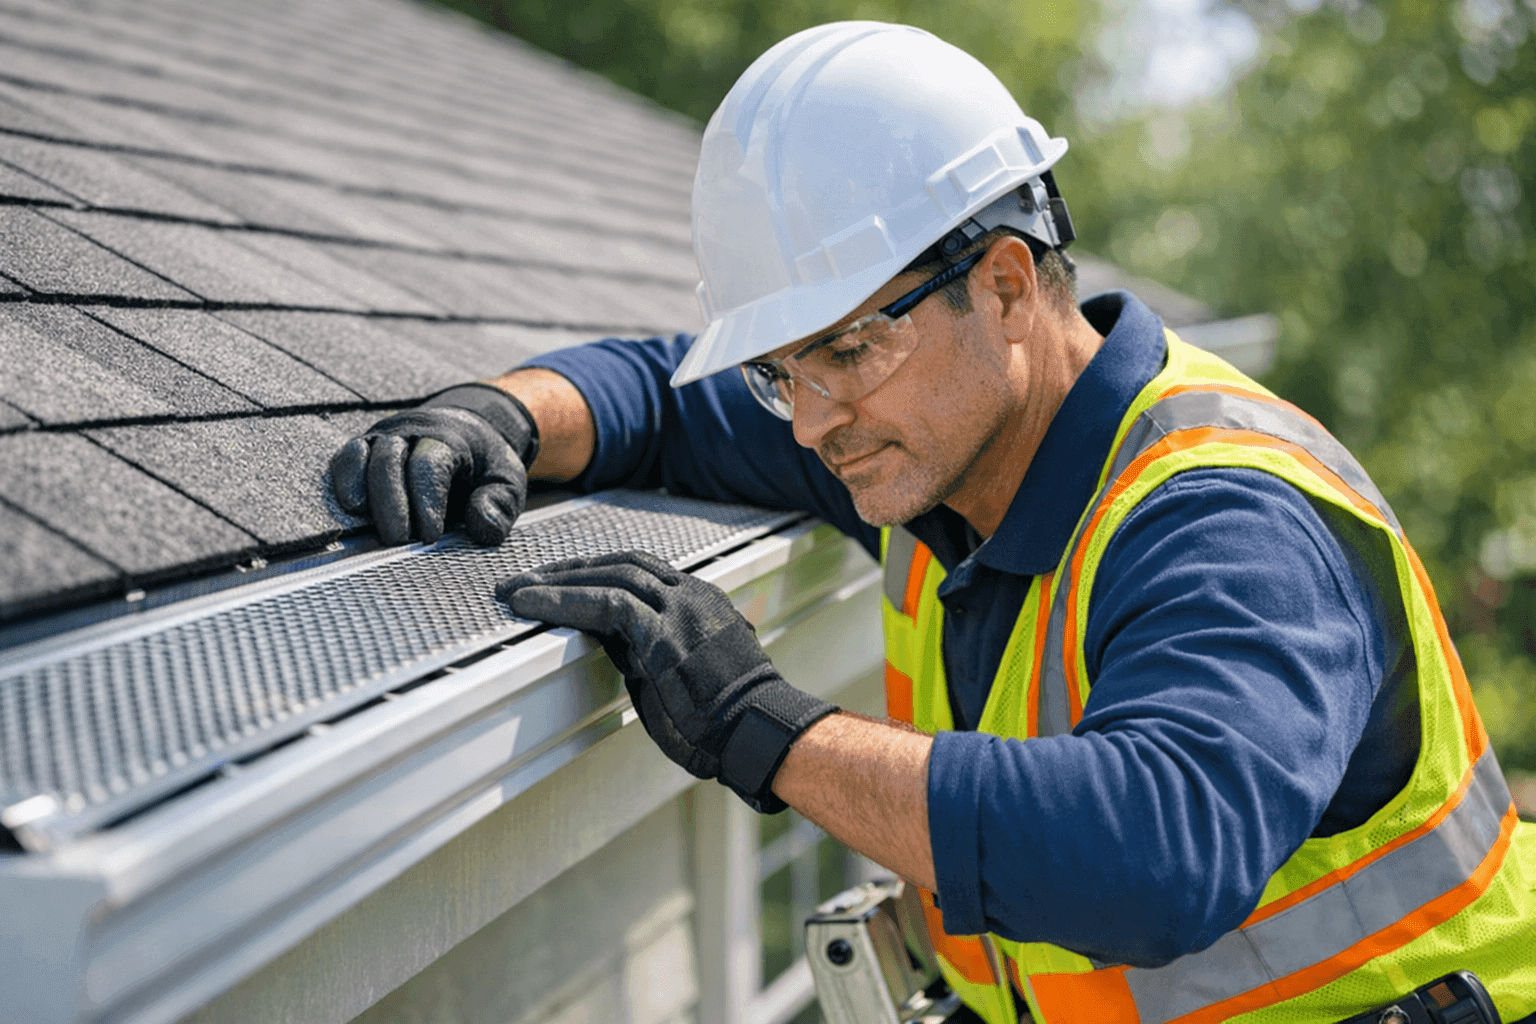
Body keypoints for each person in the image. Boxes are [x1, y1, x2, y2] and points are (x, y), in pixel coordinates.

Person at [329, 22, 1536, 1024]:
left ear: (1006, 284)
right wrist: (496, 415)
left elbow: (1161, 852)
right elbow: (657, 397)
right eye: (780, 371)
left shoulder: (1224, 515)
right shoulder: (919, 439)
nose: (808, 421)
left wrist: (767, 730)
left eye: (845, 349)